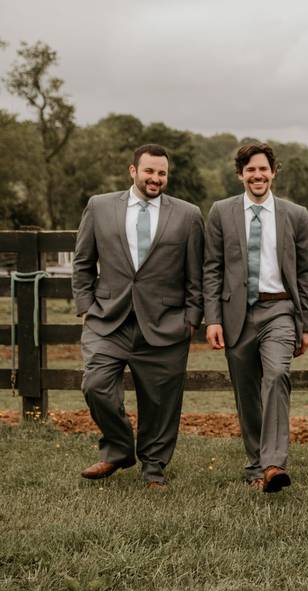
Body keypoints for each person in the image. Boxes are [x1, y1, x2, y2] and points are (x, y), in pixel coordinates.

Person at [72, 144, 204, 488]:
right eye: (149, 171)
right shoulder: (99, 207)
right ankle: (117, 449)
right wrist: (86, 306)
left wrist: (192, 318)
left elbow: (196, 274)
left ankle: (154, 467)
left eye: (162, 173)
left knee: (161, 401)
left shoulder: (188, 215)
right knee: (96, 386)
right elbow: (83, 261)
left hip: (165, 323)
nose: (155, 178)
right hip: (108, 318)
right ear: (133, 171)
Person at [203, 143, 308, 492]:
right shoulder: (221, 212)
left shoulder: (295, 215)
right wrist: (213, 319)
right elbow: (212, 268)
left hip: (279, 308)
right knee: (246, 390)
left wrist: (306, 324)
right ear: (240, 175)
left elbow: (306, 273)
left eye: (263, 169)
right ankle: (255, 465)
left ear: (273, 172)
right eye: (250, 170)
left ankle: (274, 463)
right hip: (235, 313)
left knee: (278, 374)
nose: (257, 175)